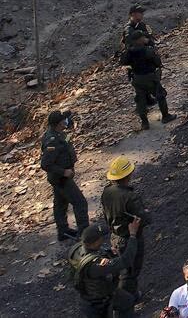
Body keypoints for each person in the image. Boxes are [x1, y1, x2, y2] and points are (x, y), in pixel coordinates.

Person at [68, 219, 140, 318]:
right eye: (101, 238)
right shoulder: (96, 265)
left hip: (93, 294)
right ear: (94, 242)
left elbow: (95, 252)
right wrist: (133, 235)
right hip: (98, 304)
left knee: (127, 301)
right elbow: (126, 260)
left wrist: (109, 252)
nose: (103, 239)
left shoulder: (77, 249)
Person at [101, 156, 150, 298]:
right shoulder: (130, 197)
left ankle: (130, 294)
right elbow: (144, 218)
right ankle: (127, 300)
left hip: (114, 236)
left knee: (122, 268)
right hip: (130, 237)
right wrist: (145, 213)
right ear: (128, 175)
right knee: (130, 271)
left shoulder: (107, 192)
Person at [41, 110, 89, 241]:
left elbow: (66, 143)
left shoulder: (59, 133)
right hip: (61, 178)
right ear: (58, 123)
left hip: (60, 177)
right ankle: (85, 235)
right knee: (80, 203)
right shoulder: (52, 141)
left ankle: (63, 231)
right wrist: (64, 172)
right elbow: (45, 164)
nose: (65, 121)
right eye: (63, 120)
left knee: (60, 204)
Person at [120, 30, 176, 129]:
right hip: (149, 77)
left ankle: (144, 123)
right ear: (140, 39)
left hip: (137, 78)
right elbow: (158, 62)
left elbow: (123, 62)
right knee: (160, 95)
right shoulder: (148, 50)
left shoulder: (129, 51)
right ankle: (166, 116)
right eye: (143, 37)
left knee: (140, 99)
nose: (145, 39)